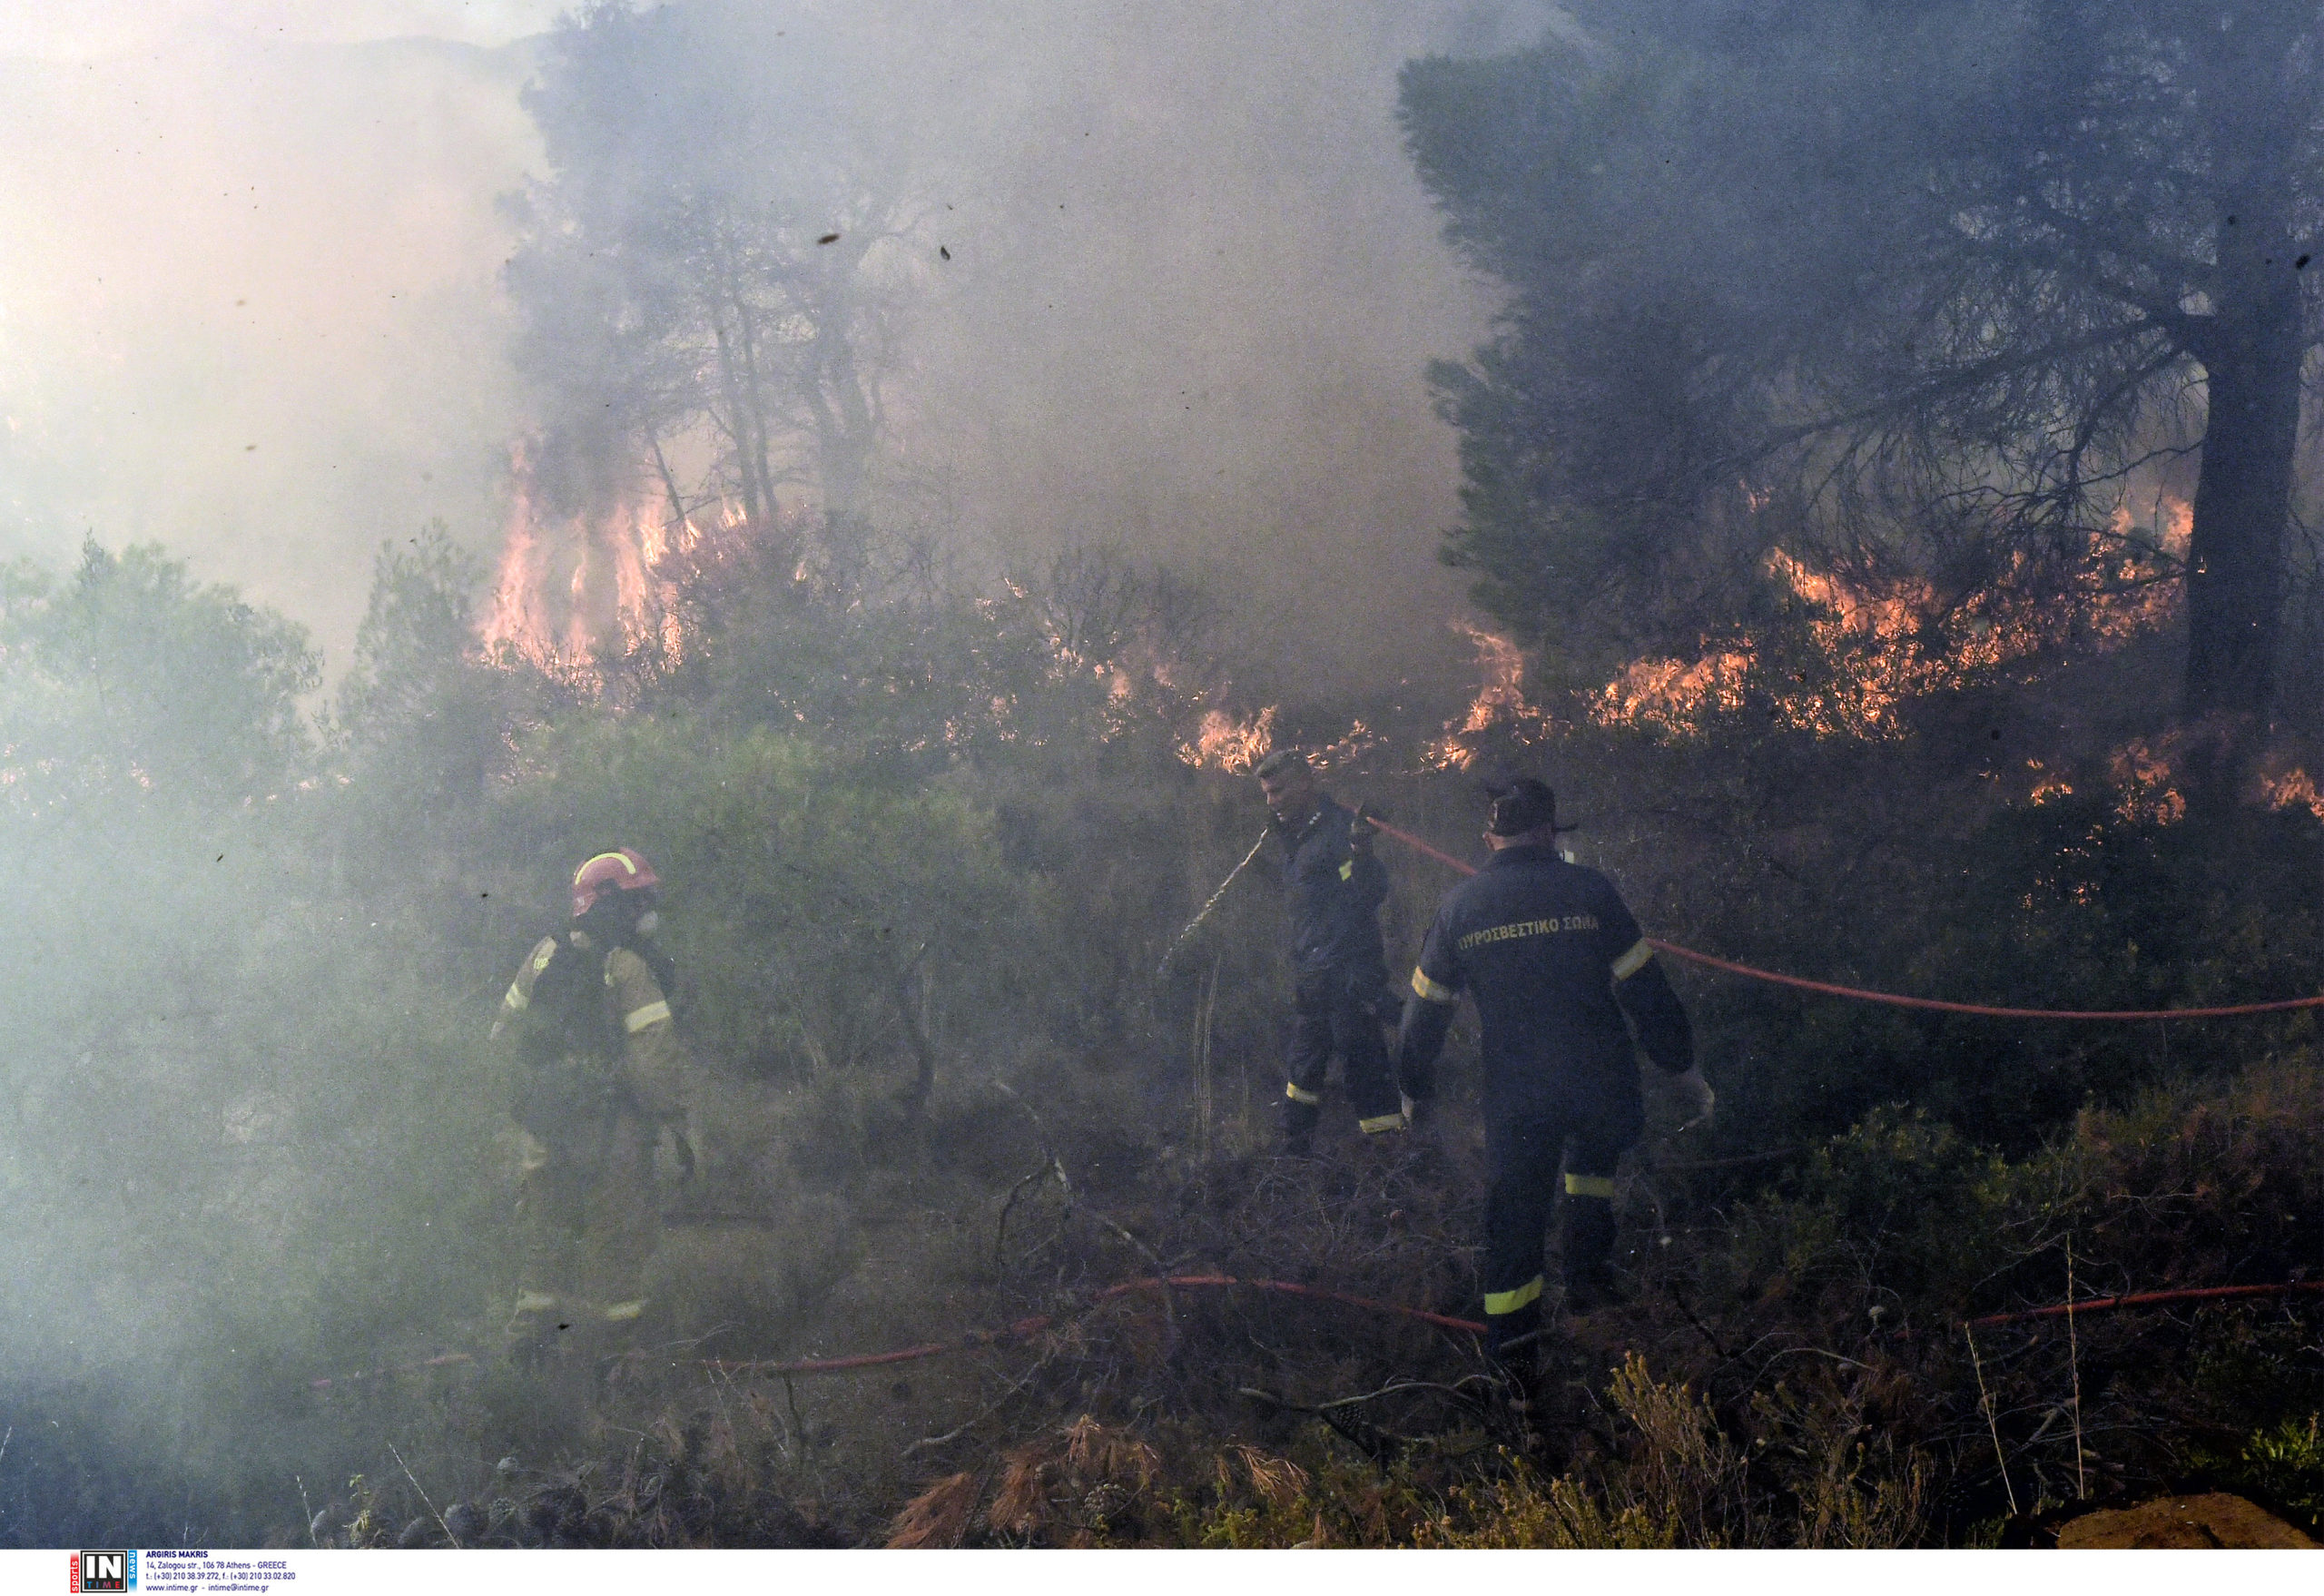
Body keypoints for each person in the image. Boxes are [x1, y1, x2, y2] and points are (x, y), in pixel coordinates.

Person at [1393, 778, 1711, 1374]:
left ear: (1489, 837)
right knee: (1592, 1171)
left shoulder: (1460, 907)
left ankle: (1514, 1368)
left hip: (1518, 1094)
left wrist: (1413, 1091)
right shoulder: (1590, 890)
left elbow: (1422, 1017)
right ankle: (1591, 1292)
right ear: (1548, 832)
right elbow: (1647, 991)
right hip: (1598, 1079)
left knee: (1515, 1222)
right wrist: (1681, 1066)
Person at [490, 846, 692, 1337]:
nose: (647, 910)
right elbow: (655, 1057)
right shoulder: (626, 965)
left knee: (544, 1231)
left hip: (546, 1125)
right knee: (618, 1238)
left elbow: (502, 1039)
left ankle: (531, 1345)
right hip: (613, 1129)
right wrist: (672, 1120)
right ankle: (620, 1356)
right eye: (637, 900)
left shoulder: (544, 953)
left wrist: (524, 1105)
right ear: (608, 903)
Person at [1253, 748, 1406, 1155]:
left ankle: (1393, 1171)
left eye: (1280, 791)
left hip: (1348, 981)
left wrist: (1362, 851)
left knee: (1366, 1075)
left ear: (1306, 783)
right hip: (1314, 980)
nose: (1273, 802)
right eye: (1267, 794)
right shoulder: (1300, 836)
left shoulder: (1340, 831)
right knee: (1301, 1076)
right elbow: (1309, 897)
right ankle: (1291, 1170)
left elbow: (1367, 892)